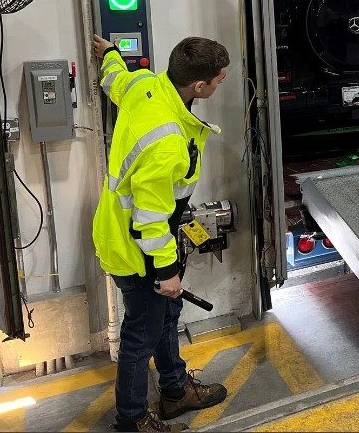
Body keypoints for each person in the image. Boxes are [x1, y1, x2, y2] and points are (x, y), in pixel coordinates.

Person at [91, 34, 230, 432]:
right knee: (141, 336)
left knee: (167, 315)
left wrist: (111, 54)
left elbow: (115, 80)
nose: (221, 82)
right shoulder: (167, 141)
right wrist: (166, 271)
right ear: (199, 86)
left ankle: (175, 390)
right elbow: (149, 218)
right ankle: (132, 420)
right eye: (219, 79)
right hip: (137, 247)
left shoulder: (145, 83)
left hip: (142, 236)